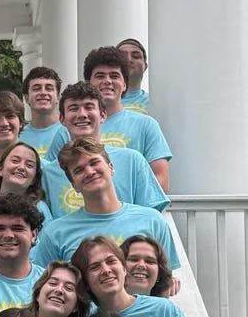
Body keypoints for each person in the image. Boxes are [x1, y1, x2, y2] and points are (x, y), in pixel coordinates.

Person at [33, 142, 180, 285]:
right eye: (79, 170)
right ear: (74, 185)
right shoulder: (55, 233)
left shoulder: (152, 221)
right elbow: (41, 286)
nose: (89, 172)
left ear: (111, 168)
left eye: (94, 162)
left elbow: (165, 285)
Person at [38, 84, 167, 218]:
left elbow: (152, 217)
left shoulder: (133, 161)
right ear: (62, 119)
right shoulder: (48, 174)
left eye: (89, 107)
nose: (82, 114)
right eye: (73, 108)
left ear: (103, 115)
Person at [83, 47, 171, 189]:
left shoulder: (147, 125)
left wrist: (126, 206)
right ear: (88, 83)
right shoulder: (70, 127)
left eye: (114, 76)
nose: (107, 81)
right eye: (100, 76)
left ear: (124, 84)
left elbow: (161, 180)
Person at [0, 140, 49, 212]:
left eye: (29, 165)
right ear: (1, 169)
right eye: (15, 161)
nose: (21, 167)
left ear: (34, 179)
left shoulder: (40, 209)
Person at [21, 67, 64, 155]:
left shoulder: (69, 131)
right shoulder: (18, 136)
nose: (43, 93)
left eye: (49, 88)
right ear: (26, 98)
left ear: (58, 96)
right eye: (36, 89)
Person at [120, 233, 174, 301]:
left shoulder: (167, 310)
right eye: (134, 259)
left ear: (159, 273)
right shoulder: (103, 308)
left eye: (149, 261)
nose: (141, 265)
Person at [116, 37, 151, 115]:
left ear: (145, 66)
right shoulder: (99, 101)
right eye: (122, 56)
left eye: (136, 56)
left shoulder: (155, 103)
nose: (129, 59)